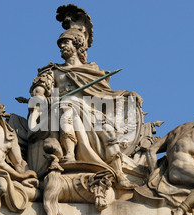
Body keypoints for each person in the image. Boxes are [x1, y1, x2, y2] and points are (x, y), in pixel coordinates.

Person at [28, 27, 140, 189]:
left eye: (66, 42)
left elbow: (104, 94)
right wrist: (38, 98)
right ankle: (69, 155)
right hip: (61, 108)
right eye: (61, 44)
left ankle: (120, 175)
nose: (62, 47)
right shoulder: (53, 71)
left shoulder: (91, 71)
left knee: (108, 131)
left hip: (89, 110)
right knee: (67, 107)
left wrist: (127, 95)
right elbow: (40, 90)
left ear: (77, 45)